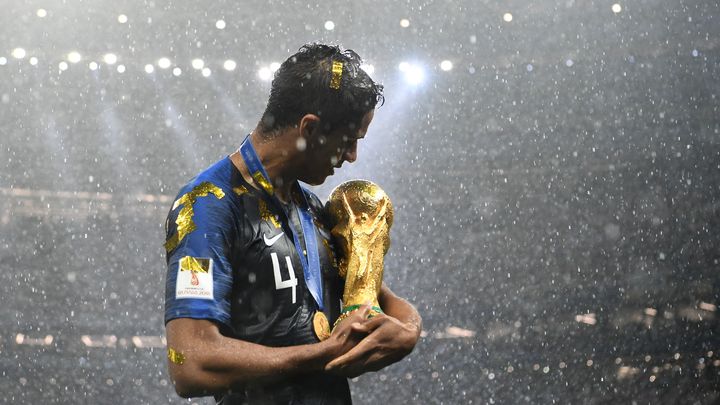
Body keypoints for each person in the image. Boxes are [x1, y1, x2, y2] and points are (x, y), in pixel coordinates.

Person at [163, 43, 422, 404]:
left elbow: (385, 302)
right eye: (347, 141)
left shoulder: (313, 209)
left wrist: (409, 331)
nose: (352, 156)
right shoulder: (208, 205)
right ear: (310, 128)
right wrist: (320, 356)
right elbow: (191, 364)